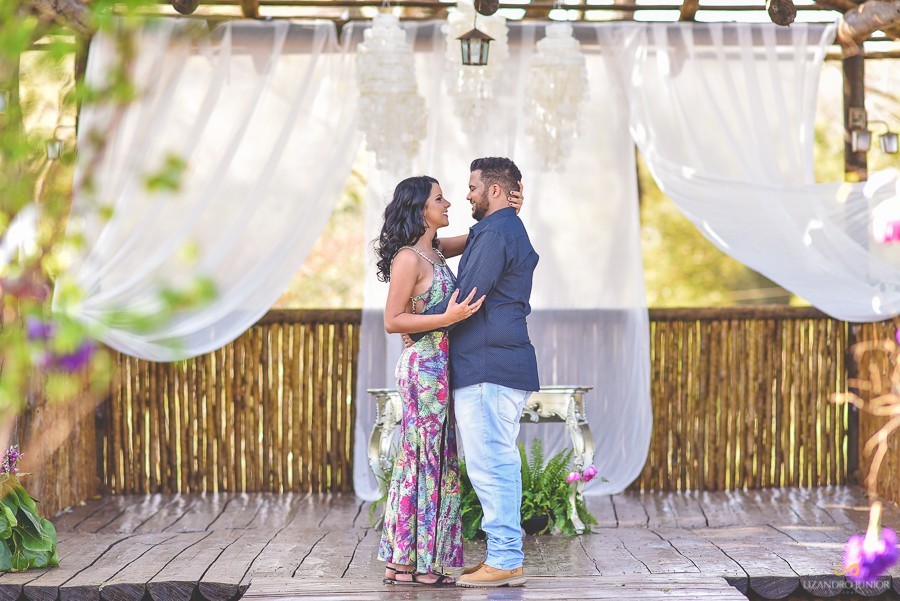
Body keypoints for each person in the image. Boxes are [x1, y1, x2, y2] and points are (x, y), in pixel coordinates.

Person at [374, 174, 523, 586]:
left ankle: (426, 562)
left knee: (438, 459)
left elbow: (481, 236)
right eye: (439, 199)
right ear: (420, 208)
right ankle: (404, 560)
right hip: (422, 366)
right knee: (420, 456)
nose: (450, 203)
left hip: (442, 364)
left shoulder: (436, 251)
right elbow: (392, 320)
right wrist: (448, 318)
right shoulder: (409, 258)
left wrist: (508, 209)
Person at [410, 157, 538, 588]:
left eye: (472, 187)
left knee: (491, 464)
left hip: (487, 365)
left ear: (495, 191)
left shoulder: (496, 233)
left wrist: (419, 325)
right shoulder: (499, 229)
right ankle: (506, 558)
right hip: (495, 364)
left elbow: (465, 299)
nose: (465, 195)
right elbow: (433, 250)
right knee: (492, 460)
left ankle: (504, 559)